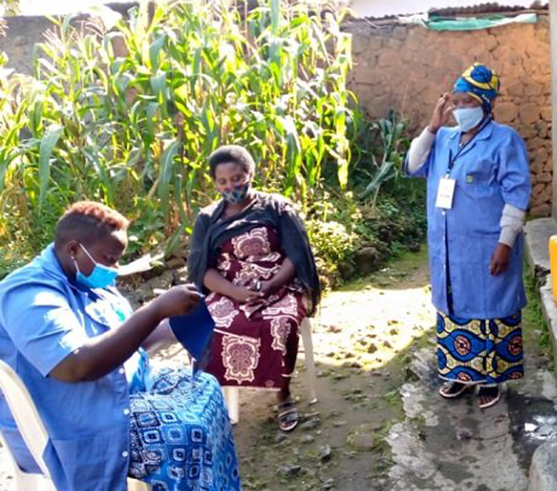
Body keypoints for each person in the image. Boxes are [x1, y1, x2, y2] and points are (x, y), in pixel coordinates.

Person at [0, 201, 241, 491]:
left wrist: (177, 321)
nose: (114, 269)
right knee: (185, 434)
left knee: (206, 388)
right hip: (70, 423)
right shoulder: (29, 295)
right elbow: (76, 366)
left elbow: (128, 340)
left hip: (114, 392)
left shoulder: (87, 280)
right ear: (74, 249)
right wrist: (154, 310)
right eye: (110, 259)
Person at [405, 63, 532, 409]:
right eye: (456, 102)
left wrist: (505, 242)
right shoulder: (442, 138)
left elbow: (517, 194)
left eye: (468, 102)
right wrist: (432, 126)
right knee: (453, 305)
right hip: (449, 247)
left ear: (486, 105)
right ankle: (459, 374)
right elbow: (414, 165)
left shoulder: (504, 140)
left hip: (487, 245)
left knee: (490, 308)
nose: (460, 109)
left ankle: (491, 380)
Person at [188, 145, 320, 432]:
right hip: (228, 290)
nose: (231, 186)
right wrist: (234, 292)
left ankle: (282, 394)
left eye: (236, 178)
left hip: (279, 285)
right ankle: (213, 401)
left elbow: (296, 256)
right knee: (203, 326)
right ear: (215, 184)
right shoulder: (208, 219)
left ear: (250, 174)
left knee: (279, 324)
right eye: (222, 182)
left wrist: (269, 285)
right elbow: (202, 270)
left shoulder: (276, 208)